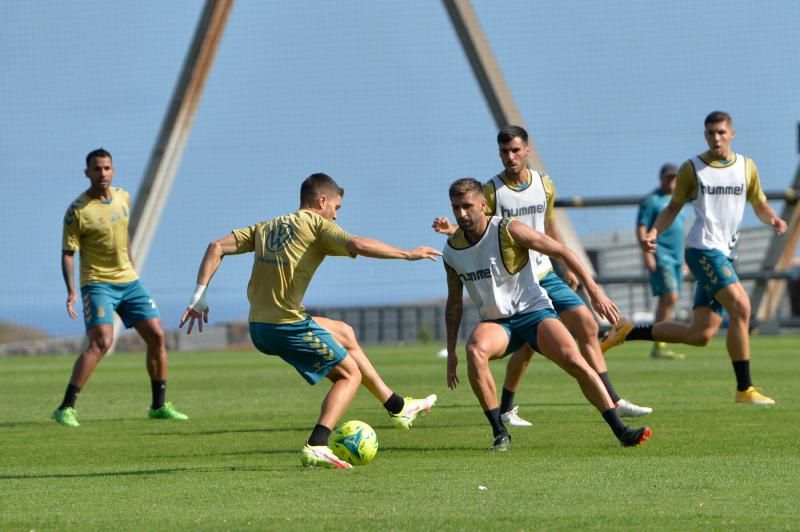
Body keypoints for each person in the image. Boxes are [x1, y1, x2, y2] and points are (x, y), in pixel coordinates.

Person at [180, 173, 440, 469]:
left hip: (259, 326)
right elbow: (358, 244)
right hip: (286, 326)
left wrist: (199, 297)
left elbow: (216, 246)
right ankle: (317, 444)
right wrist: (408, 254)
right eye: (337, 207)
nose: (336, 214)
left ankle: (398, 407)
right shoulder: (318, 225)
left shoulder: (267, 226)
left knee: (344, 332)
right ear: (322, 201)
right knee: (349, 375)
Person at [433, 126, 651, 424]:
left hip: (544, 272)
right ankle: (507, 409)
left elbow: (550, 225)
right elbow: (477, 229)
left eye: (514, 150)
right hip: (514, 279)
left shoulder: (544, 184)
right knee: (527, 344)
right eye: (503, 152)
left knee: (586, 324)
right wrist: (453, 230)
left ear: (527, 150)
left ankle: (612, 398)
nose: (509, 157)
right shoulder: (491, 192)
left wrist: (566, 268)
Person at [603, 111, 787, 405]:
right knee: (741, 307)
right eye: (711, 133)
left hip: (726, 254)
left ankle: (628, 331)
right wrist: (653, 232)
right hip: (702, 250)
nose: (716, 138)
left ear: (732, 134)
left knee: (700, 334)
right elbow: (673, 208)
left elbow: (760, 204)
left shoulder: (746, 167)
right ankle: (745, 389)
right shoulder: (693, 168)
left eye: (721, 132)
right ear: (705, 135)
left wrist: (774, 220)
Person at [53, 148, 187, 428]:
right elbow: (68, 252)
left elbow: (123, 234)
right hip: (97, 282)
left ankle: (159, 406)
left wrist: (132, 267)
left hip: (129, 281)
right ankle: (66, 407)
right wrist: (71, 291)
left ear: (113, 171)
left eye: (106, 168)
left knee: (157, 336)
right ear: (87, 172)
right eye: (96, 169)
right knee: (101, 342)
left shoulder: (124, 197)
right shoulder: (77, 211)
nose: (102, 173)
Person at [636, 163, 686, 360]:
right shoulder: (651, 201)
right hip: (660, 254)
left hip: (676, 257)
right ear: (661, 178)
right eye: (668, 177)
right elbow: (642, 228)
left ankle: (660, 343)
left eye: (674, 177)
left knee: (669, 300)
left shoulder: (678, 200)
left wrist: (683, 256)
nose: (671, 181)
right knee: (670, 297)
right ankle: (659, 342)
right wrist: (646, 253)